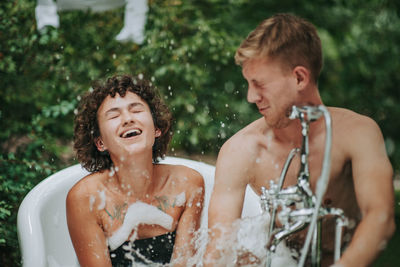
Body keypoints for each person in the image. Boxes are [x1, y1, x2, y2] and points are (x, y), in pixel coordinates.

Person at [205, 13, 395, 267]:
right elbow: (218, 250)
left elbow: (380, 218)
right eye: (248, 84)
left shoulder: (357, 133)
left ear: (299, 78)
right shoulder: (241, 149)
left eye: (259, 84)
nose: (251, 96)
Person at [67, 74, 204, 266]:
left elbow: (185, 263)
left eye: (136, 110)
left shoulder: (188, 183)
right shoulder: (86, 198)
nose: (127, 119)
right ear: (100, 142)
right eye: (114, 115)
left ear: (157, 128)